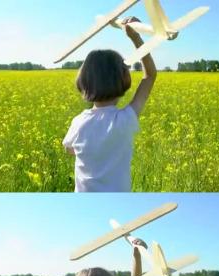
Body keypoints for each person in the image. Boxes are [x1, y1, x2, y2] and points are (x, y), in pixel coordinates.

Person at [63, 17, 157, 192]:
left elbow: (70, 150)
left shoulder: (78, 122)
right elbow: (150, 75)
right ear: (123, 80)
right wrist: (135, 38)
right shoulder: (125, 119)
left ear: (83, 81)